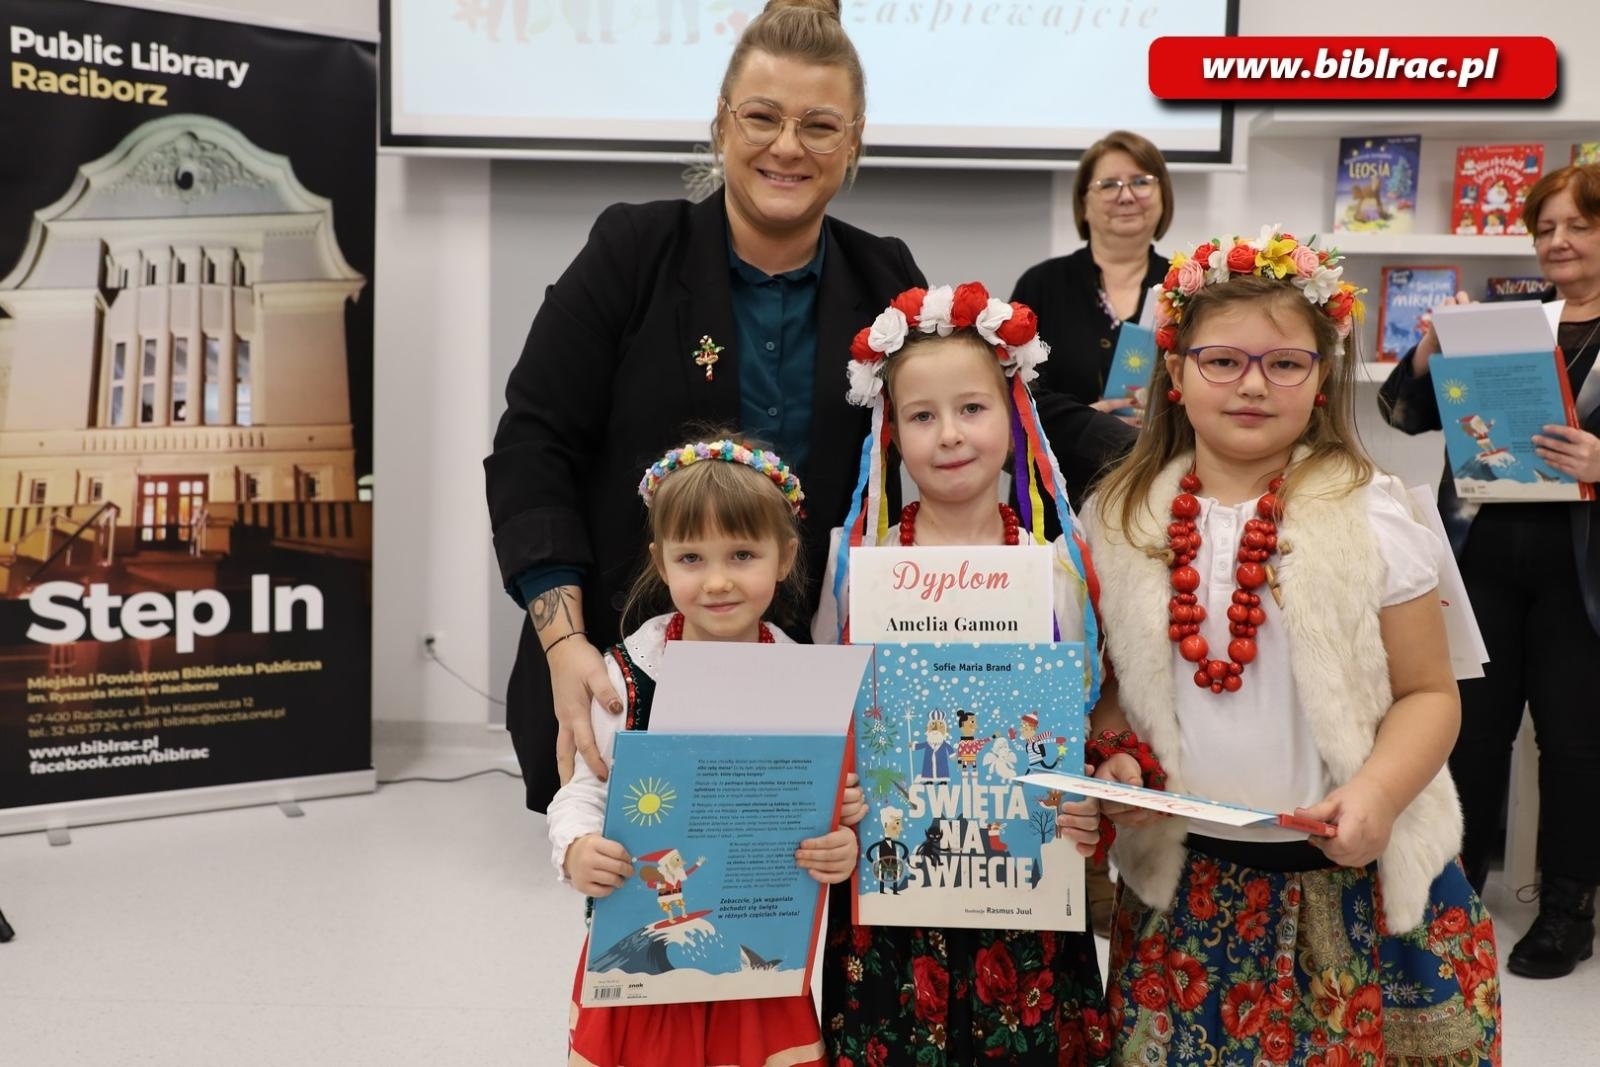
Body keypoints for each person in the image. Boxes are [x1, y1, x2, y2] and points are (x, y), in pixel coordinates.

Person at [485, 0, 926, 815]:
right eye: (762, 116)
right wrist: (564, 643)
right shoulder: (631, 254)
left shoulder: (885, 279)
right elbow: (532, 445)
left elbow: (967, 426)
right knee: (650, 923)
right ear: (721, 123)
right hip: (630, 674)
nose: (787, 145)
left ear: (854, 141)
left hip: (808, 683)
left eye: (820, 125)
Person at [1085, 229, 1500, 1064]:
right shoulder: (1119, 521)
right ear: (1174, 373)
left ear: (1321, 380)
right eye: (1223, 361)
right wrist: (1116, 757)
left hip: (1358, 881)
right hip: (1189, 891)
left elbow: (1430, 691)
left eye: (1285, 363)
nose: (1252, 384)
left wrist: (1379, 794)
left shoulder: (1375, 513)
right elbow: (1112, 691)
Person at [814, 283, 1111, 1066]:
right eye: (921, 415)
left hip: (1027, 886)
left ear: (1013, 420)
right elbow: (825, 713)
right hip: (891, 893)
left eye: (972, 409)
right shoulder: (856, 566)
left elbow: (1087, 712)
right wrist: (839, 785)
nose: (949, 435)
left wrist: (1085, 801)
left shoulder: (1057, 568)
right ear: (891, 432)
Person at [546, 437, 864, 1067]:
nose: (717, 581)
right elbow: (584, 788)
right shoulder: (625, 677)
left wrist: (842, 844)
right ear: (661, 564)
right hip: (645, 976)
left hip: (760, 963)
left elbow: (835, 802)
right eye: (692, 557)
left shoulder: (809, 682)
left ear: (785, 558)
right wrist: (576, 848)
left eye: (742, 554)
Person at [1379, 162, 1600, 979]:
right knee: (1468, 733)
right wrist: (1433, 346)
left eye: (1578, 225)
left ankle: (1568, 911)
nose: (1558, 241)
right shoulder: (1512, 320)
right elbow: (1399, 413)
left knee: (1578, 745)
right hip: (1481, 560)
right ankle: (1451, 889)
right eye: (1545, 227)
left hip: (1584, 574)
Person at [1011, 131, 1175, 494]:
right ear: (1084, 202)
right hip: (1058, 489)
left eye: (1141, 182)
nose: (1127, 195)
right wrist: (1089, 426)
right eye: (1109, 184)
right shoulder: (1041, 284)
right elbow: (1012, 390)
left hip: (1162, 487)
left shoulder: (1187, 285)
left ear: (1163, 194)